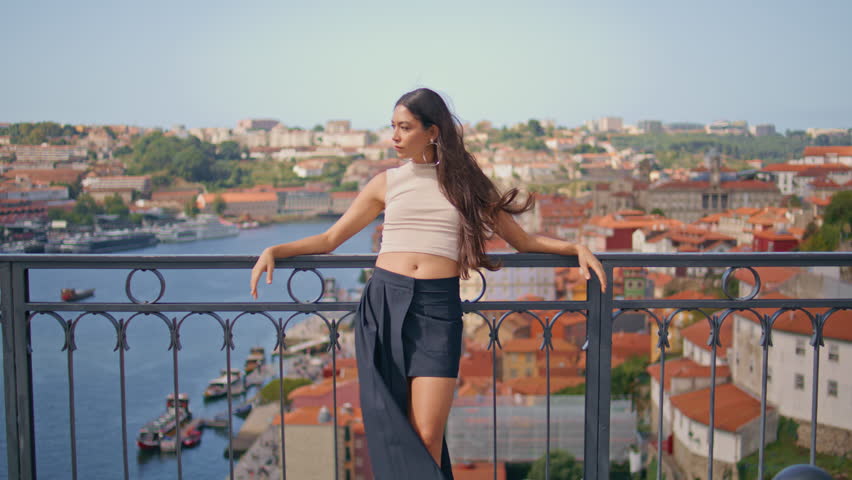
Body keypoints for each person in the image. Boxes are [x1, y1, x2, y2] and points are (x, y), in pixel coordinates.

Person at [250, 88, 606, 479]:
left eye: (405, 127)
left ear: (432, 131)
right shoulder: (386, 183)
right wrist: (276, 249)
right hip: (384, 303)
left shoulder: (467, 183)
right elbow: (330, 239)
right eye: (393, 128)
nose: (395, 137)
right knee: (392, 430)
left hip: (438, 309)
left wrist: (575, 248)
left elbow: (522, 240)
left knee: (427, 434)